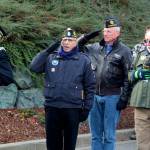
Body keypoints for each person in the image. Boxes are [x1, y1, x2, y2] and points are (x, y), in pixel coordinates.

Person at [30, 28, 96, 150]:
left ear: (76, 42)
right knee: (52, 145)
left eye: (70, 40)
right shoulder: (51, 57)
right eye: (64, 39)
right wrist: (49, 49)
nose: (66, 42)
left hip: (72, 109)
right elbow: (34, 67)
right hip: (52, 108)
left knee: (69, 146)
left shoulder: (83, 60)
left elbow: (90, 87)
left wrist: (86, 109)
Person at [78, 16, 132, 150]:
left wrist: (124, 98)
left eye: (109, 31)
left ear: (117, 33)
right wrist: (85, 37)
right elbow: (76, 47)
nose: (105, 33)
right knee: (95, 135)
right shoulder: (94, 48)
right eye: (105, 30)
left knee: (109, 135)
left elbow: (128, 77)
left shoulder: (124, 51)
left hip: (112, 97)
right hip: (94, 96)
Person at [129, 26, 150, 150]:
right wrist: (136, 74)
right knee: (142, 144)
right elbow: (129, 73)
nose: (148, 44)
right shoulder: (139, 54)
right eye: (146, 41)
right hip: (141, 103)